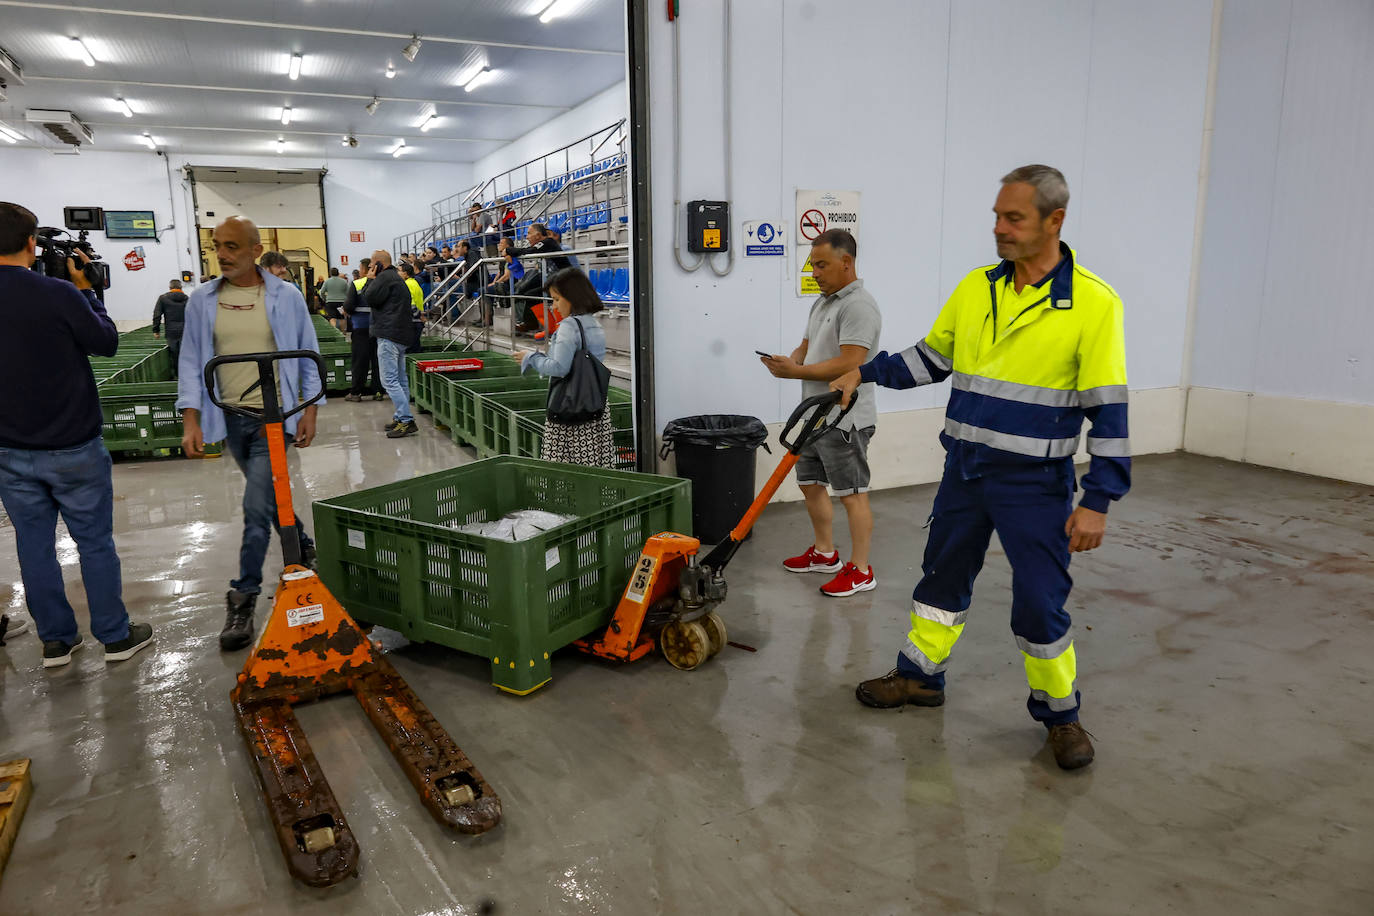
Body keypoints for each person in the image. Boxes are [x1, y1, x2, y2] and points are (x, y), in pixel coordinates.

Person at [831, 165, 1129, 771]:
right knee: (941, 579)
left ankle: (1061, 715)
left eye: (1013, 218)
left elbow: (1110, 411)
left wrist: (1098, 498)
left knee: (1040, 602)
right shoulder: (977, 288)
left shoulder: (1093, 305)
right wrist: (867, 370)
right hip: (965, 471)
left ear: (1055, 221)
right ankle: (920, 677)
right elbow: (932, 358)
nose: (999, 228)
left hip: (1035, 485)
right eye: (997, 215)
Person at [0, 201, 152, 667]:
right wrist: (87, 291)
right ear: (31, 244)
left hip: (9, 448)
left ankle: (57, 641)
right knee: (94, 542)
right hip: (72, 444)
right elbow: (105, 343)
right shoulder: (58, 294)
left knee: (33, 544)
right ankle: (113, 635)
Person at [177, 217, 324, 652]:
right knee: (270, 498)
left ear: (256, 251)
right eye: (217, 246)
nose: (222, 254)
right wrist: (191, 417)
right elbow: (190, 359)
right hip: (231, 416)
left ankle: (243, 595)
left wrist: (310, 410)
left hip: (273, 418)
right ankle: (302, 539)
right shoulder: (202, 299)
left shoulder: (285, 295)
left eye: (233, 247)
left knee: (255, 509)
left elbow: (307, 350)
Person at [761, 228, 881, 599]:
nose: (815, 272)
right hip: (815, 417)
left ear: (847, 262)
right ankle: (825, 554)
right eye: (813, 265)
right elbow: (807, 346)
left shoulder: (858, 305)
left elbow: (850, 362)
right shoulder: (823, 303)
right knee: (810, 484)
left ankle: (861, 570)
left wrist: (796, 372)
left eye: (822, 265)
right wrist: (789, 360)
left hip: (844, 419)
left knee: (852, 493)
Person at [512, 268, 611, 467]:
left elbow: (559, 368)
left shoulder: (569, 326)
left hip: (570, 407)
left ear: (572, 297)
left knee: (565, 469)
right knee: (593, 466)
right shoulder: (594, 324)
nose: (554, 306)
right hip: (595, 404)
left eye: (557, 299)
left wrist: (530, 357)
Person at [363, 250, 419, 438]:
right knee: (400, 380)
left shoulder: (383, 277)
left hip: (389, 335)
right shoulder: (395, 277)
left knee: (389, 380)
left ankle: (406, 420)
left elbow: (369, 298)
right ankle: (401, 415)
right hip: (401, 335)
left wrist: (370, 279)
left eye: (372, 265)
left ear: (379, 264)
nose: (370, 268)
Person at [514, 223, 572, 337]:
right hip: (553, 280)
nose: (527, 237)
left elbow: (528, 251)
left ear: (539, 235)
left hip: (565, 281)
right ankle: (548, 328)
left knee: (548, 296)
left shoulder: (551, 243)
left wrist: (510, 250)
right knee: (528, 294)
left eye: (529, 233)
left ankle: (557, 329)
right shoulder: (546, 245)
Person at [343, 258, 382, 402]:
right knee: (377, 360)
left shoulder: (357, 284)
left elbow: (348, 306)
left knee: (360, 361)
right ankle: (378, 391)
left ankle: (356, 393)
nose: (359, 271)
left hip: (361, 327)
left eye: (360, 268)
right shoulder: (380, 284)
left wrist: (347, 311)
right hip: (379, 328)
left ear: (365, 269)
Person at [152, 278, 189, 378]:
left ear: (170, 287)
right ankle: (187, 375)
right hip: (185, 331)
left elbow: (157, 315)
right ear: (181, 287)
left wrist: (156, 330)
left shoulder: (163, 298)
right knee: (185, 354)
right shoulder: (187, 299)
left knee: (174, 355)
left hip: (170, 331)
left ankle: (178, 376)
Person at [486, 239, 525, 330]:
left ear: (508, 247)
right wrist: (493, 282)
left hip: (509, 284)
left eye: (501, 243)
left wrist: (496, 283)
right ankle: (486, 318)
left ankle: (487, 318)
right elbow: (500, 273)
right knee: (484, 289)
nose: (498, 244)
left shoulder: (510, 257)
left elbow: (507, 275)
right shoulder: (502, 258)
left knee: (485, 290)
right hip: (502, 283)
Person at [320, 266, 351, 332]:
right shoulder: (344, 282)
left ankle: (334, 331)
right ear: (338, 273)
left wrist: (325, 299)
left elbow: (322, 292)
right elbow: (349, 292)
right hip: (341, 302)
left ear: (330, 273)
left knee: (332, 318)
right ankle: (343, 333)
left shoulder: (327, 281)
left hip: (330, 302)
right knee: (342, 318)